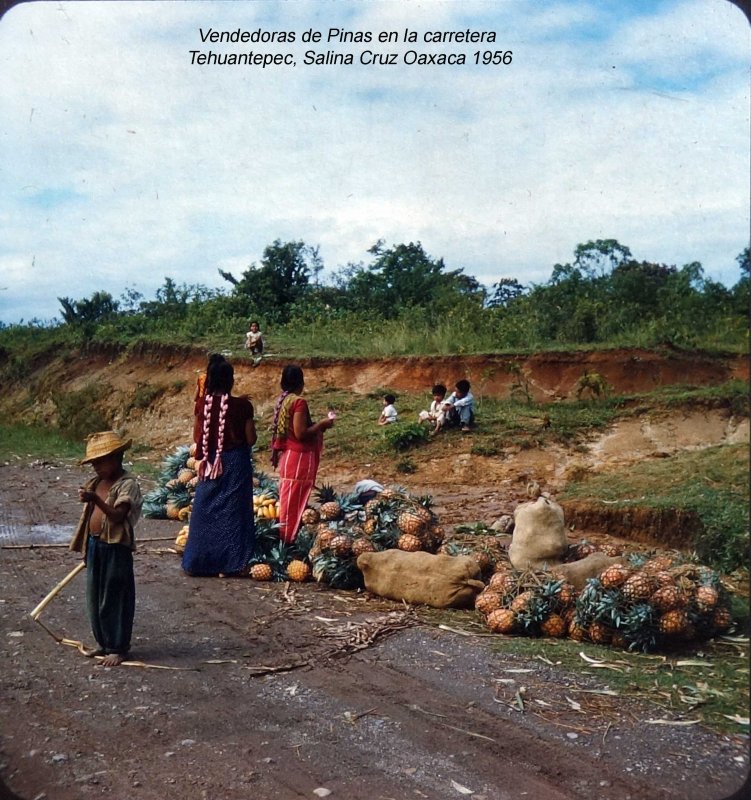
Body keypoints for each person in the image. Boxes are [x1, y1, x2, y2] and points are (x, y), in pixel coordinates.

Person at [69, 431, 143, 667]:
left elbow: (118, 515)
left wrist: (96, 500)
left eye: (101, 462)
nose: (96, 468)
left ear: (117, 457)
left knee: (115, 596)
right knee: (95, 596)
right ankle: (103, 642)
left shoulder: (127, 485)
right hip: (95, 545)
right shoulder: (96, 483)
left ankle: (118, 647)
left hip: (115, 547)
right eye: (93, 464)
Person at [183, 359, 257, 577]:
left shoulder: (201, 405)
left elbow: (197, 436)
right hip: (235, 463)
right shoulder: (243, 406)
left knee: (205, 510)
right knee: (234, 512)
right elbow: (250, 439)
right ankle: (233, 562)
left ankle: (199, 560)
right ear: (231, 380)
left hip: (209, 461)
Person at [271, 365, 334, 543]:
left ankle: (286, 537)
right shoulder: (298, 402)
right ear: (301, 382)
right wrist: (322, 424)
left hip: (288, 457)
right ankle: (289, 540)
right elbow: (300, 433)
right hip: (299, 458)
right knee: (294, 503)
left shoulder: (283, 399)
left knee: (289, 500)